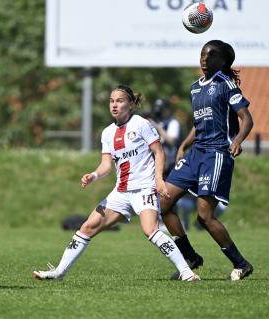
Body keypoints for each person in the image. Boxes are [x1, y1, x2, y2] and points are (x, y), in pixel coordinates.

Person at [33, 85, 199, 282]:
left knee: (150, 230)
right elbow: (106, 165)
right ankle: (59, 272)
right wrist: (93, 175)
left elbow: (159, 152)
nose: (114, 105)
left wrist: (159, 181)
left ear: (130, 104)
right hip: (121, 192)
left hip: (143, 188)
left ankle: (187, 273)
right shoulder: (108, 133)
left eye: (119, 101)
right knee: (88, 226)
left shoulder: (141, 124)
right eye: (112, 101)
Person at [160, 40, 255, 281]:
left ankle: (241, 264)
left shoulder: (226, 84)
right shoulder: (195, 88)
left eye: (210, 56)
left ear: (222, 62)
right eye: (203, 54)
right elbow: (198, 123)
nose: (204, 59)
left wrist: (238, 140)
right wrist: (183, 145)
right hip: (196, 153)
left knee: (204, 216)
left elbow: (246, 119)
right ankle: (190, 257)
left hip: (216, 153)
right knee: (163, 203)